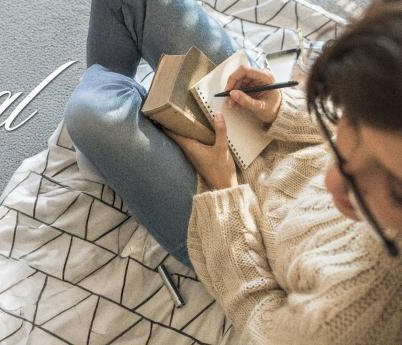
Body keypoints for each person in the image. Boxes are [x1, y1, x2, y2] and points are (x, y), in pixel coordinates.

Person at [63, 0, 402, 344]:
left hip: (231, 226)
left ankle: (107, 145)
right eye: (354, 129)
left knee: (90, 108)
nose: (331, 181)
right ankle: (109, 141)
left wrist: (224, 190)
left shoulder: (362, 315)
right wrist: (279, 109)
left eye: (394, 191)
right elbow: (344, 122)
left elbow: (259, 316)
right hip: (262, 136)